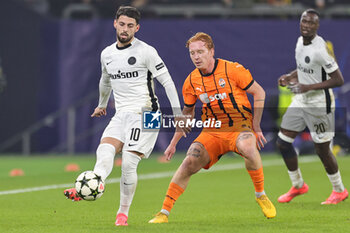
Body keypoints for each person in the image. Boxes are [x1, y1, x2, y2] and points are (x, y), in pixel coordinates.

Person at [63, 6, 183, 226]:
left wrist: (178, 115)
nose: (125, 29)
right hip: (122, 113)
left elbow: (167, 82)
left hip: (149, 114)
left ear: (137, 28)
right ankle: (89, 185)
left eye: (130, 26)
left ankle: (122, 214)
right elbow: (105, 81)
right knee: (105, 149)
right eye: (122, 24)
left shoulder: (146, 51)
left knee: (128, 162)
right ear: (114, 24)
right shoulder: (107, 54)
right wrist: (101, 104)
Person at [148, 32, 276, 223]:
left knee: (249, 147)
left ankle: (260, 195)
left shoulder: (232, 69)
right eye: (192, 53)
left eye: (200, 52)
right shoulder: (191, 81)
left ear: (211, 51)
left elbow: (259, 92)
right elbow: (187, 114)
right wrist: (173, 143)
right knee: (189, 162)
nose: (196, 57)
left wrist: (256, 125)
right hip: (213, 130)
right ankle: (164, 213)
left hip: (239, 127)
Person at [276, 9, 348, 204]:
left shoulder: (321, 49)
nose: (307, 25)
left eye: (311, 23)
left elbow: (338, 80)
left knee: (322, 150)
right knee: (283, 142)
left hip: (319, 104)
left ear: (317, 26)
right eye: (304, 21)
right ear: (300, 23)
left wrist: (307, 87)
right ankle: (298, 185)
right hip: (301, 101)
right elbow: (303, 69)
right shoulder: (300, 42)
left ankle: (339, 190)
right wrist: (290, 77)